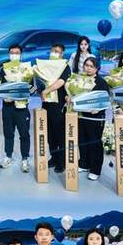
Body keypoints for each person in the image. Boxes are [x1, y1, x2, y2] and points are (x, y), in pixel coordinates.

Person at [76, 57, 110, 180]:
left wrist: (98, 109)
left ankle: (95, 170)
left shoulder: (101, 82)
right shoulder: (80, 80)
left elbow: (105, 100)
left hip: (95, 118)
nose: (88, 68)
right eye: (86, 65)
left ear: (97, 68)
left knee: (94, 143)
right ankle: (84, 164)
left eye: (91, 66)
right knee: (82, 141)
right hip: (82, 116)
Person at [0, 44, 30, 173]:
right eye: (12, 53)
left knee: (24, 134)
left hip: (22, 108)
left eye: (17, 53)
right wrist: (5, 96)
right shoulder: (3, 69)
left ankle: (25, 158)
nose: (14, 55)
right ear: (9, 54)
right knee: (8, 133)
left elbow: (33, 88)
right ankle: (8, 156)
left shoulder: (27, 69)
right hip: (7, 107)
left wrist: (23, 94)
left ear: (21, 55)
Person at [42, 43, 71, 173]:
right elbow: (38, 81)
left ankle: (61, 161)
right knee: (50, 135)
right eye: (53, 51)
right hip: (46, 104)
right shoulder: (45, 65)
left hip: (59, 105)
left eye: (57, 51)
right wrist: (40, 90)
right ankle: (53, 157)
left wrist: (46, 90)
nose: (55, 53)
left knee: (60, 134)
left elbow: (61, 82)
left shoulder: (65, 66)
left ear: (62, 54)